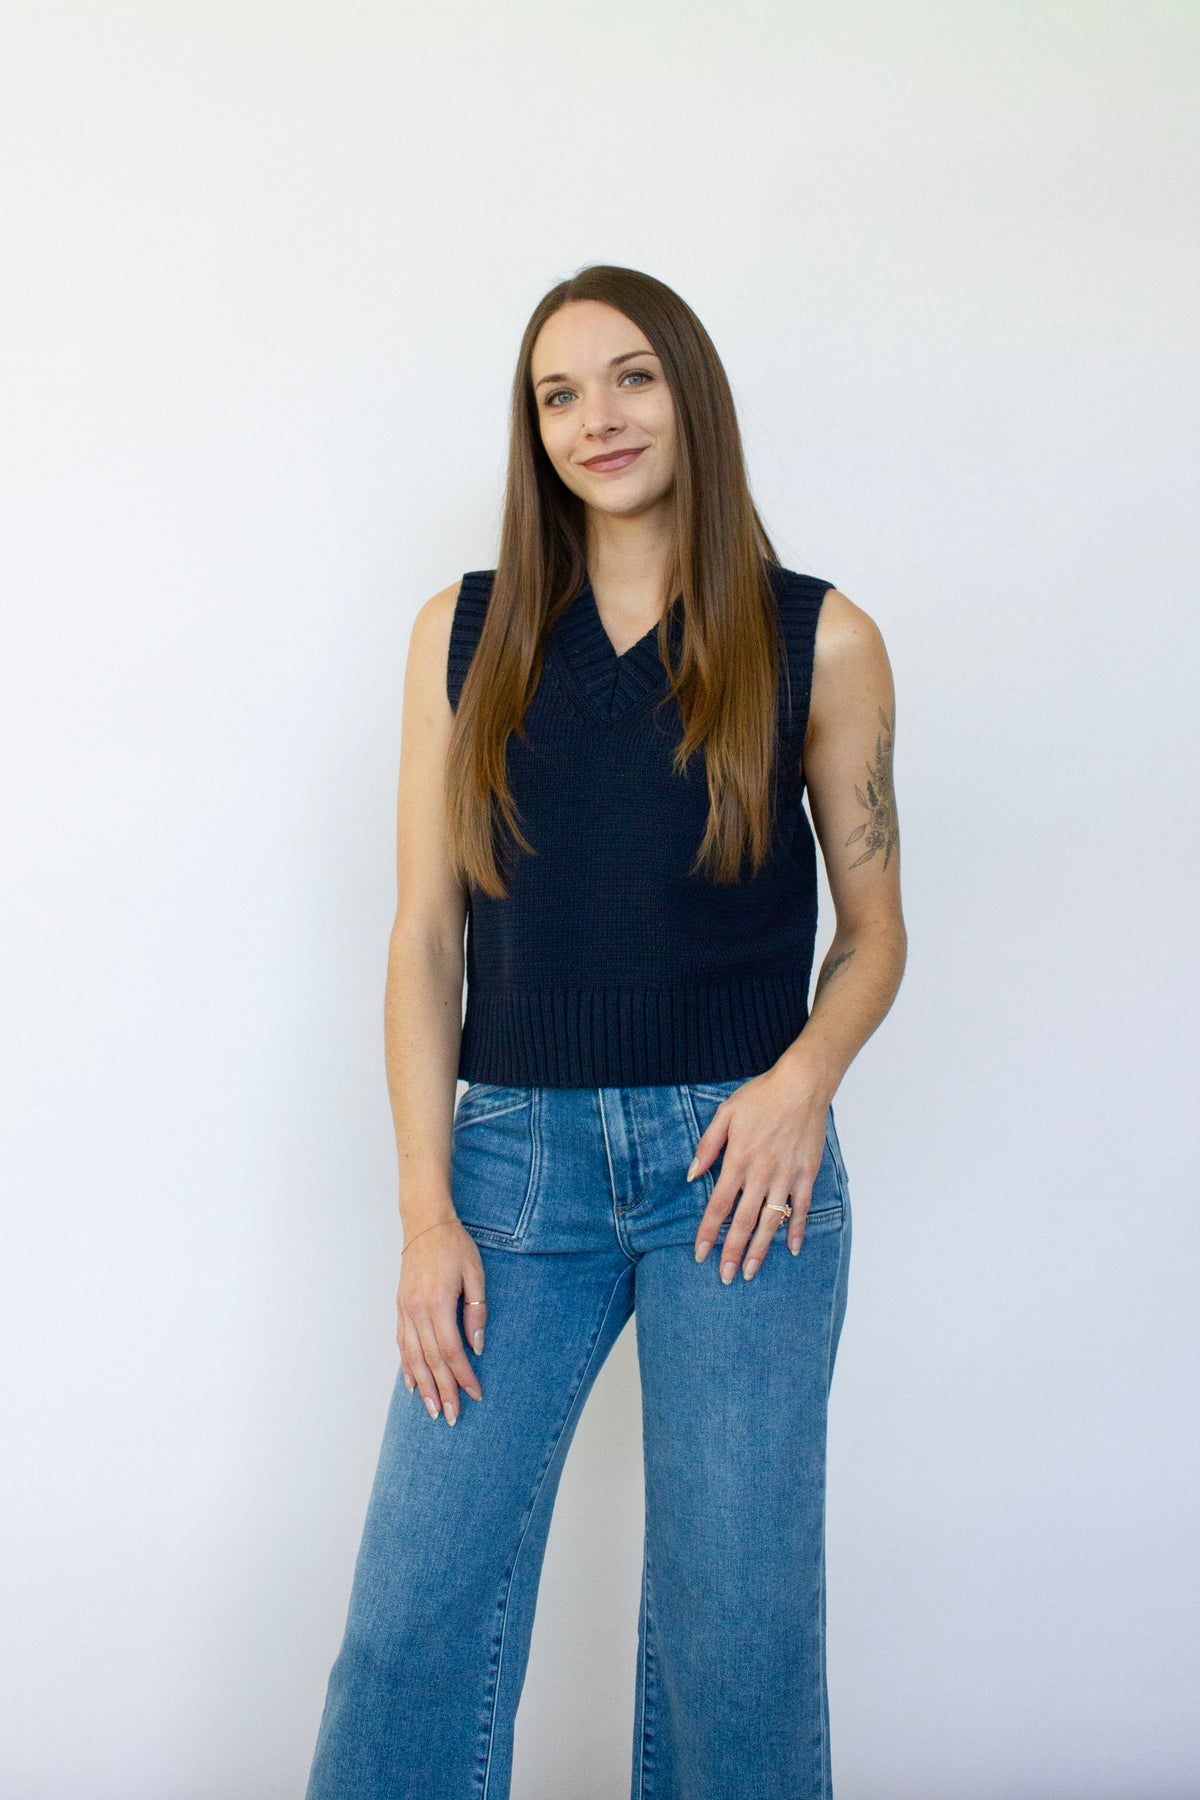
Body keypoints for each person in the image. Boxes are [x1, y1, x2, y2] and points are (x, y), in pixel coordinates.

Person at [304, 263, 906, 1800]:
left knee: (738, 1636)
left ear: (689, 394)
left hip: (741, 1172)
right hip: (512, 1170)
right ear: (535, 430)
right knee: (414, 1618)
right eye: (558, 394)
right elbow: (425, 937)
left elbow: (876, 931)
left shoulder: (820, 639)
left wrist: (801, 1083)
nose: (598, 418)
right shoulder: (466, 634)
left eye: (631, 376)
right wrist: (426, 1211)